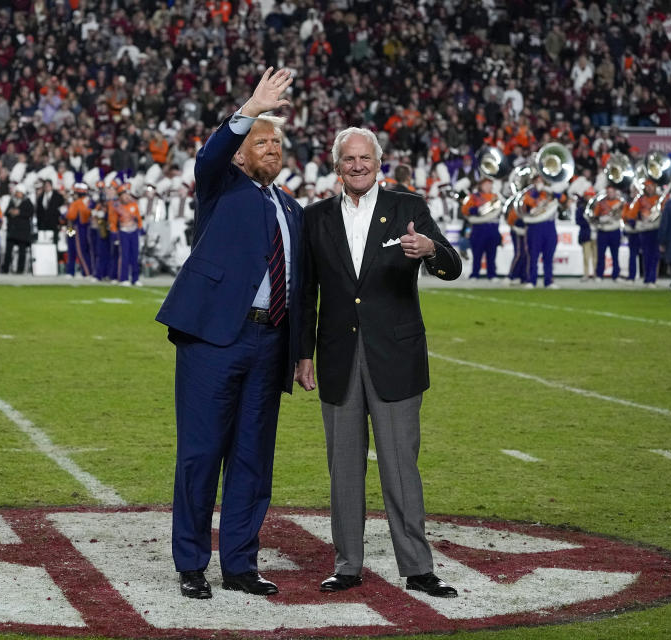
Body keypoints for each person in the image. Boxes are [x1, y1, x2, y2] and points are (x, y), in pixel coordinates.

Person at [295, 126, 461, 598]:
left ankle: (418, 567)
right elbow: (307, 294)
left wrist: (431, 251)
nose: (357, 165)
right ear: (336, 165)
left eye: (364, 157)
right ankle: (347, 565)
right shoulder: (315, 217)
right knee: (343, 469)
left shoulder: (407, 208)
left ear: (379, 161)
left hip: (396, 357)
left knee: (400, 468)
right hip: (336, 357)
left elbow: (451, 264)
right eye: (348, 159)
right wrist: (302, 353)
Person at [156, 67, 302, 599]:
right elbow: (207, 156)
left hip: (270, 343)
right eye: (261, 141)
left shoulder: (291, 208)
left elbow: (301, 285)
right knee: (200, 452)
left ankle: (240, 563)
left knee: (252, 458)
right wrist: (251, 108)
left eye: (277, 142)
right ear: (241, 151)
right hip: (215, 337)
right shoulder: (221, 184)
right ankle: (191, 563)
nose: (271, 148)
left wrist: (300, 353)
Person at [520, 174, 565, 288]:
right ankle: (531, 280)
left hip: (549, 226)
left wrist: (548, 190)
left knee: (549, 256)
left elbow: (563, 199)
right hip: (535, 227)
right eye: (537, 181)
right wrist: (538, 196)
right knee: (533, 255)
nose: (540, 183)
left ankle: (549, 281)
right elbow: (529, 203)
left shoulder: (549, 192)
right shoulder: (529, 193)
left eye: (541, 181)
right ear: (534, 182)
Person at [461, 176, 501, 279]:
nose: (489, 186)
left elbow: (498, 211)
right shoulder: (474, 197)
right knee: (477, 254)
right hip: (479, 229)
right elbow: (465, 210)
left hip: (492, 228)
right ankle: (475, 274)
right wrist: (476, 210)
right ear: (481, 185)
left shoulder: (495, 196)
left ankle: (492, 274)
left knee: (491, 254)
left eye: (490, 184)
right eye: (486, 184)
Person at [594, 184, 624, 281]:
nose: (610, 194)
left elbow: (622, 216)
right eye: (609, 192)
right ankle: (599, 275)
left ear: (615, 192)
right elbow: (595, 216)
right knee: (601, 254)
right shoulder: (601, 203)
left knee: (615, 254)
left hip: (614, 230)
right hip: (603, 231)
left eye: (612, 192)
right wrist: (603, 219)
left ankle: (616, 275)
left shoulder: (620, 202)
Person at [2, 184, 34, 274]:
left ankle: (20, 270)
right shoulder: (12, 201)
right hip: (12, 230)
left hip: (22, 231)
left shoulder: (27, 202)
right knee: (8, 251)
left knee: (22, 251)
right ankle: (5, 268)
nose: (17, 194)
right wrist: (11, 212)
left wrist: (19, 212)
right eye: (17, 192)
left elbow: (30, 213)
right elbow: (6, 212)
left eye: (19, 192)